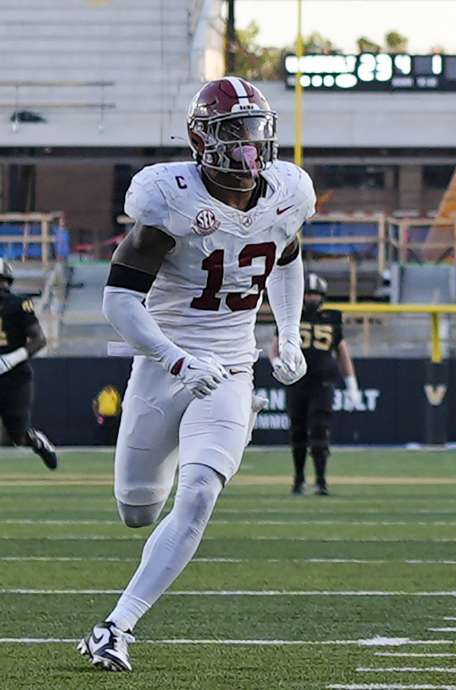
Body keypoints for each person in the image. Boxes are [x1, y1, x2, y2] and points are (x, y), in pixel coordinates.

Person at [80, 77, 313, 672]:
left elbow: (287, 258)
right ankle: (139, 521)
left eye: (256, 130)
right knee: (137, 508)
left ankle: (116, 626)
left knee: (202, 491)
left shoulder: (286, 192)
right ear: (200, 139)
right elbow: (118, 302)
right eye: (234, 132)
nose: (250, 146)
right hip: (165, 365)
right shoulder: (168, 197)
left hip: (233, 368)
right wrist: (176, 359)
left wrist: (287, 332)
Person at [272, 273, 361, 496]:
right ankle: (299, 479)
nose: (311, 298)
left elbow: (343, 353)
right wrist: (276, 363)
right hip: (297, 382)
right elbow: (274, 348)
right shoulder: (290, 318)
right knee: (298, 432)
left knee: (320, 430)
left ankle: (321, 481)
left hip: (322, 382)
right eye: (308, 293)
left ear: (322, 296)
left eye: (315, 294)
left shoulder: (331, 319)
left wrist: (352, 384)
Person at [0, 259, 57, 469]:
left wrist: (10, 359)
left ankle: (36, 441)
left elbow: (39, 340)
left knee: (17, 434)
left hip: (15, 378)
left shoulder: (19, 304)